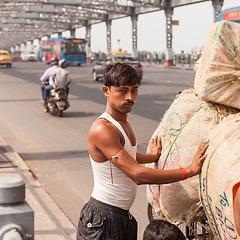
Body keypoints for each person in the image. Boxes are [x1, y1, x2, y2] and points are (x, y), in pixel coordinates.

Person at [76, 62, 209, 240]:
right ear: (106, 91)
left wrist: (151, 156)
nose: (130, 97)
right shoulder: (103, 129)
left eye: (134, 90)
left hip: (122, 216)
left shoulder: (123, 122)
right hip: (103, 217)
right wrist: (189, 171)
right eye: (122, 91)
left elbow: (125, 155)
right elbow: (137, 175)